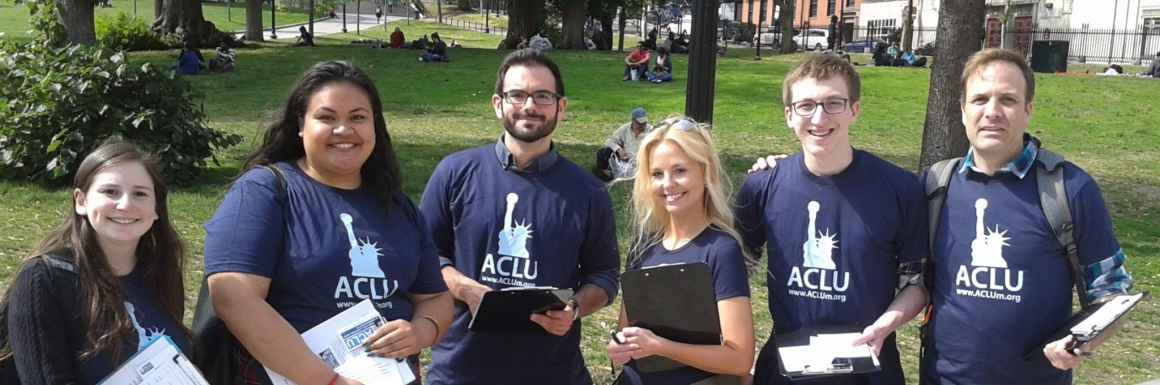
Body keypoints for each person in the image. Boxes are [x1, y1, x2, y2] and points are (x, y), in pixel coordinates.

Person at [202, 61, 453, 385]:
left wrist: (420, 332)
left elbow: (435, 298)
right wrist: (327, 380)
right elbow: (233, 297)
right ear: (300, 125)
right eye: (327, 117)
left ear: (375, 126)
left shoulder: (397, 205)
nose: (344, 130)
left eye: (358, 117)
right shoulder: (266, 191)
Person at [920, 48, 1134, 385]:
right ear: (963, 111)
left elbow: (1113, 292)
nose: (992, 111)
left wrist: (1082, 341)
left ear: (1028, 110)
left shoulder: (1069, 189)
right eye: (979, 99)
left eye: (1007, 99)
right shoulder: (936, 186)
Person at [419, 48, 620, 385]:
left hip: (553, 373)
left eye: (543, 95)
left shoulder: (588, 192)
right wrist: (463, 287)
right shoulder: (454, 173)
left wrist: (574, 309)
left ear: (561, 106)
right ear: (498, 103)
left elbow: (605, 276)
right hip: (462, 370)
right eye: (517, 95)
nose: (530, 106)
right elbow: (422, 256)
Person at [736, 53, 929, 385]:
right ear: (788, 115)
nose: (819, 117)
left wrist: (884, 325)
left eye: (833, 103)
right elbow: (735, 273)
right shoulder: (761, 186)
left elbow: (918, 283)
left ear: (854, 109)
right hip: (786, 369)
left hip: (870, 368)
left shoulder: (900, 188)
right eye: (806, 105)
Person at [0, 140, 190, 384]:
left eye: (140, 194)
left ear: (156, 209)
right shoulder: (43, 279)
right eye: (110, 192)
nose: (125, 204)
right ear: (81, 201)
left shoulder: (161, 271)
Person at [606, 116, 755, 385]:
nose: (668, 184)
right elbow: (625, 332)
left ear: (704, 172)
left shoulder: (720, 250)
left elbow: (739, 358)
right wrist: (619, 346)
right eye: (657, 174)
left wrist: (661, 346)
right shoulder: (644, 247)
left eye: (680, 171)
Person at [593, 107, 652, 182]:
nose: (642, 125)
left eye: (644, 123)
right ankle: (605, 172)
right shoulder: (625, 129)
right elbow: (609, 141)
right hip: (624, 159)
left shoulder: (650, 130)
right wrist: (619, 150)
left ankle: (612, 175)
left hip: (640, 161)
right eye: (639, 123)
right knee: (603, 152)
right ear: (633, 121)